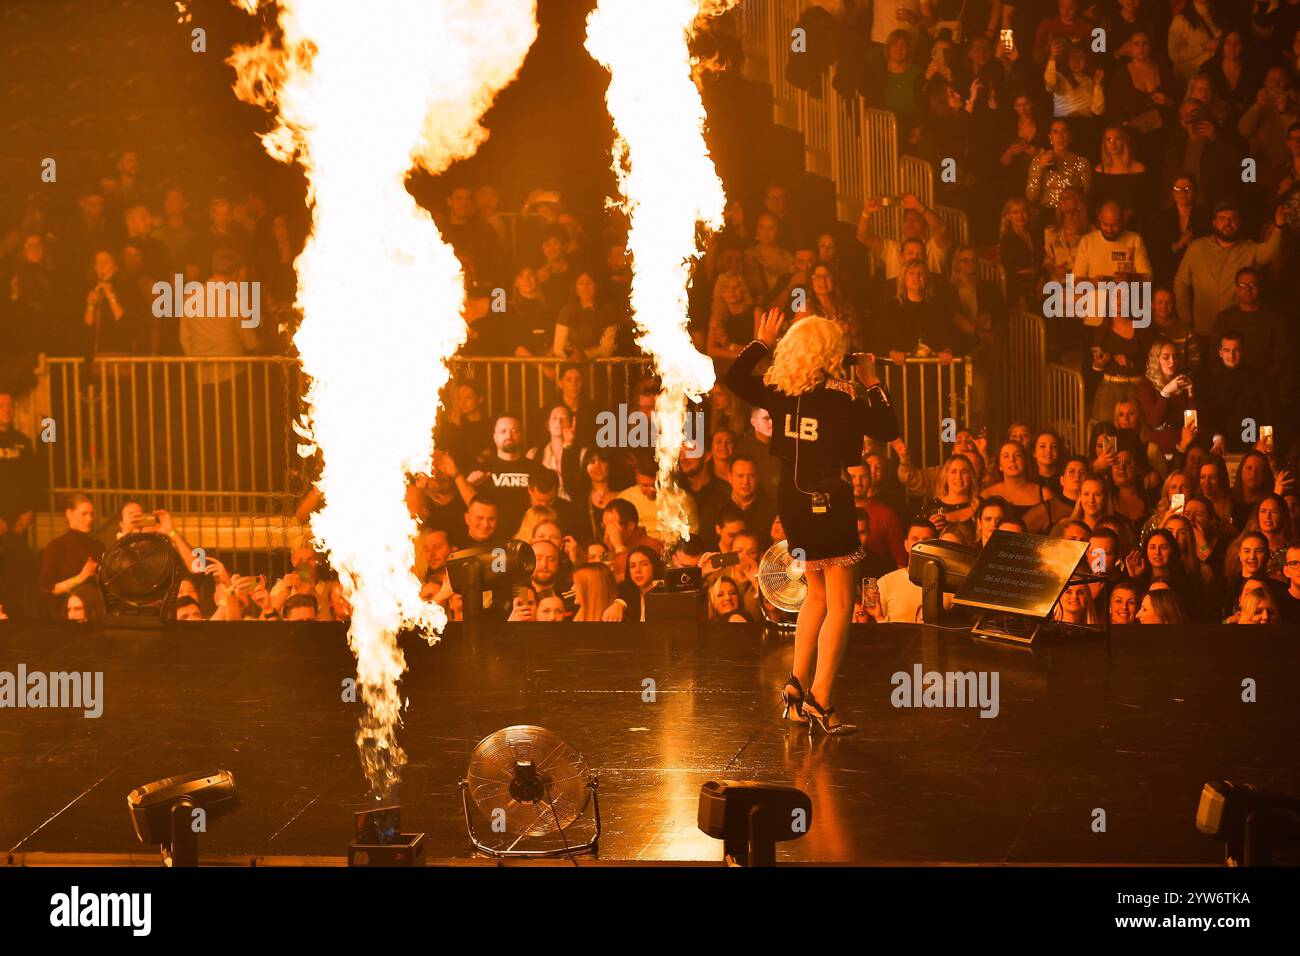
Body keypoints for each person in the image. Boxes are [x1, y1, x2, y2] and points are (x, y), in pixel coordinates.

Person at [725, 309, 900, 735]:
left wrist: (760, 342)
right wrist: (873, 380)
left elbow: (733, 377)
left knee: (816, 596)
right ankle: (822, 699)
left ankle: (796, 685)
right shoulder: (845, 394)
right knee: (841, 601)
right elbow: (889, 425)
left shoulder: (780, 388)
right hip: (828, 497)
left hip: (792, 499)